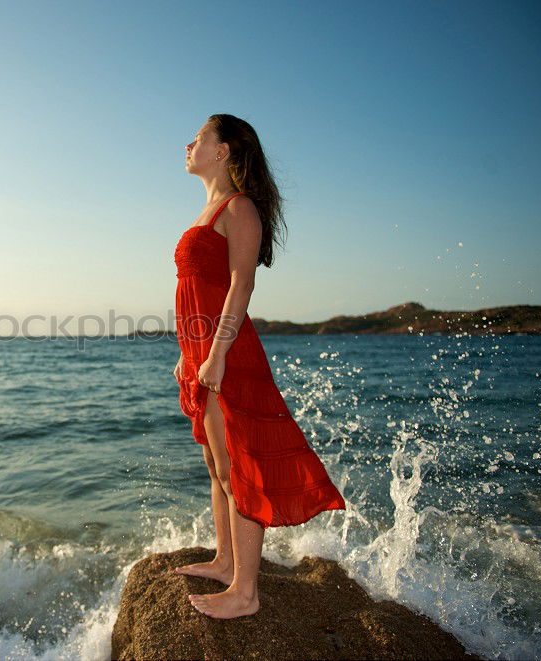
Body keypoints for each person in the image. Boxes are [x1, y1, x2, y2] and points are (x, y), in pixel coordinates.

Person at [171, 114, 346, 619]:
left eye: (199, 138)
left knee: (238, 466)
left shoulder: (238, 207)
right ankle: (226, 560)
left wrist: (219, 354)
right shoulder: (208, 209)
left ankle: (246, 592)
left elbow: (240, 287)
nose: (189, 144)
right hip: (202, 353)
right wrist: (188, 358)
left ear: (223, 150)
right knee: (215, 462)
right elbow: (196, 296)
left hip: (228, 353)